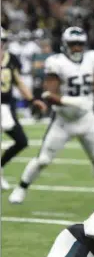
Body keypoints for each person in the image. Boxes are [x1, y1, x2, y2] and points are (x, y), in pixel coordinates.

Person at [9, 26, 94, 204]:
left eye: (80, 44)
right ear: (65, 45)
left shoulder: (90, 59)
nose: (77, 48)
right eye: (73, 44)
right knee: (43, 160)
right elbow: (48, 95)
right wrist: (73, 101)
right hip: (63, 121)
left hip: (86, 119)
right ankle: (21, 187)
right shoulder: (56, 62)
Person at [1, 27, 46, 190]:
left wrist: (33, 100)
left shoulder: (10, 59)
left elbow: (18, 82)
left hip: (6, 105)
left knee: (21, 141)